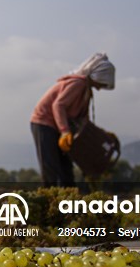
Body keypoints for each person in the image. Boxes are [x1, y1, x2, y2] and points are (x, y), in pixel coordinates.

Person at [30, 53, 116, 187]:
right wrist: (64, 131)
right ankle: (49, 201)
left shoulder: (86, 91)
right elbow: (58, 105)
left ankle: (68, 202)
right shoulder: (78, 83)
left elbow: (83, 120)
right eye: (102, 83)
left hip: (59, 126)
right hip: (44, 123)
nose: (100, 88)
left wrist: (101, 133)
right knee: (51, 167)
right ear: (97, 77)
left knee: (66, 170)